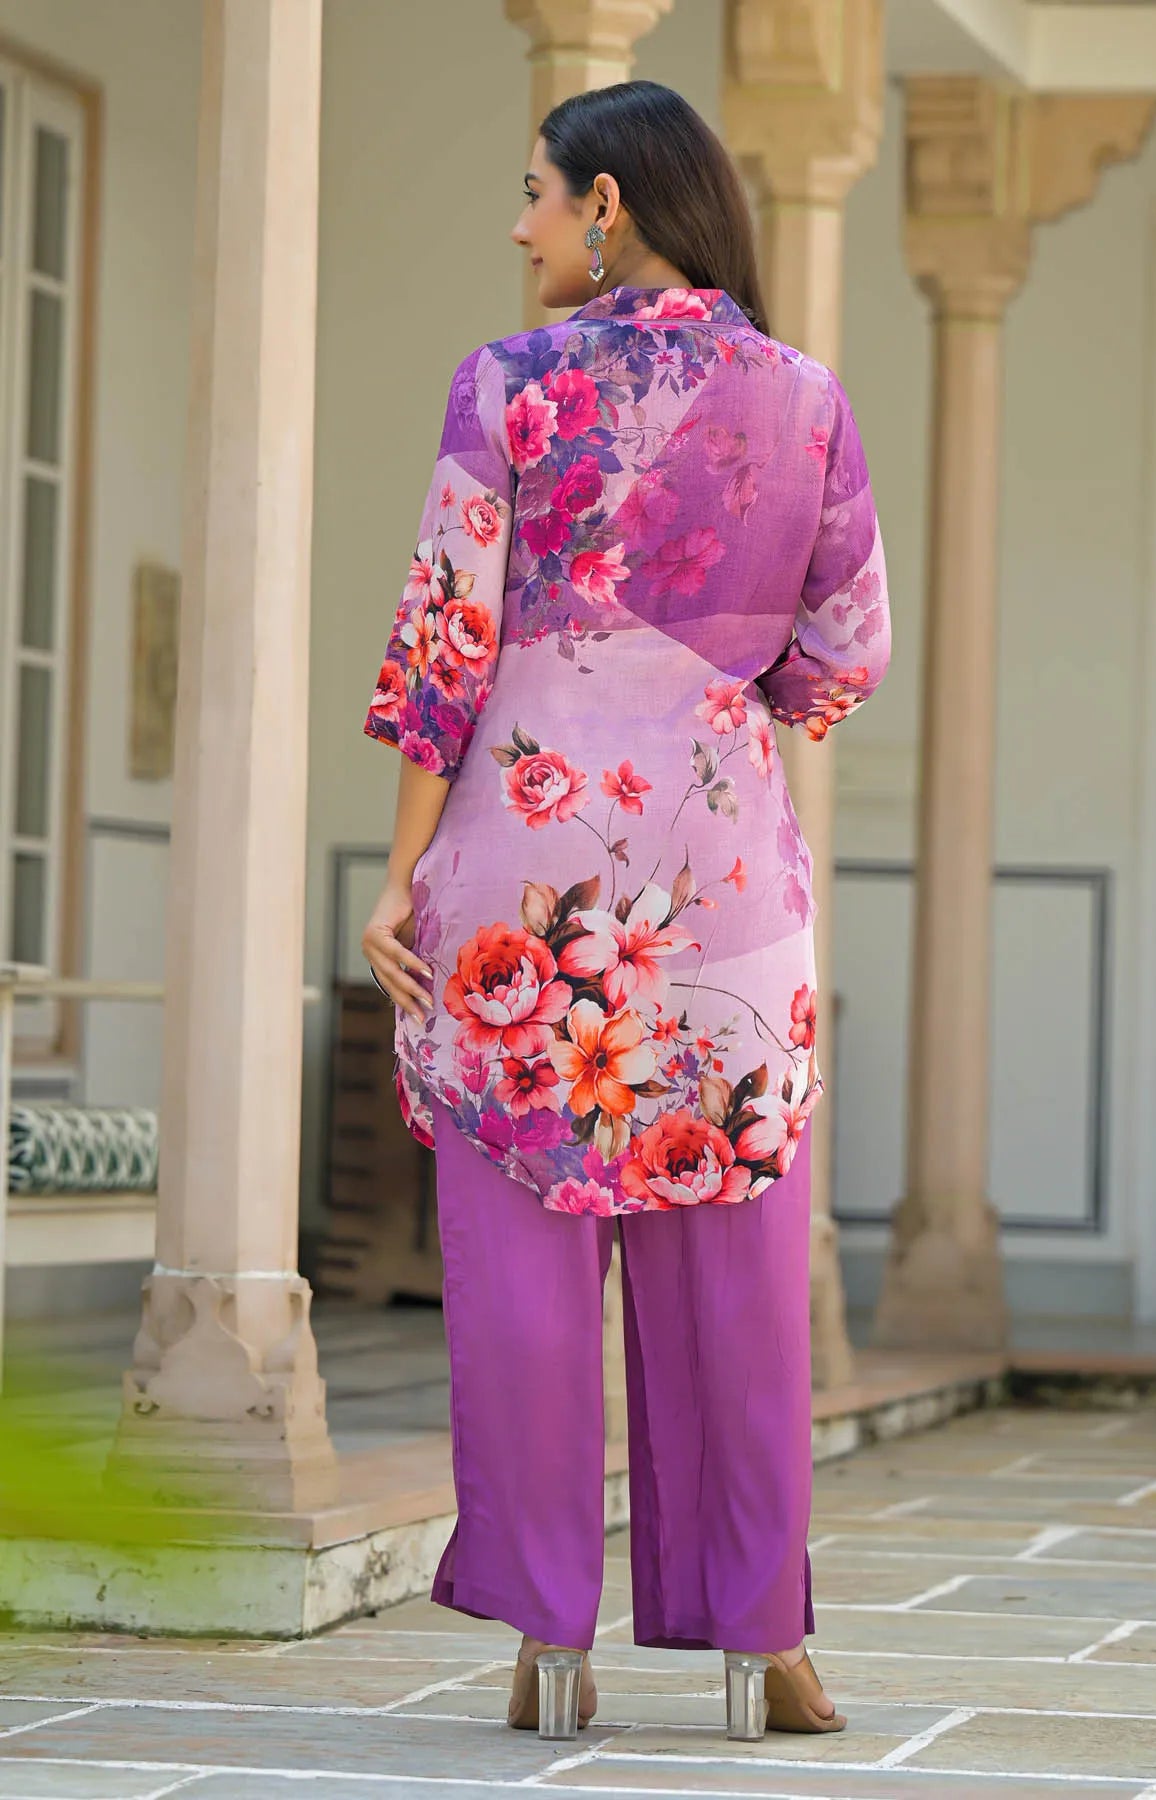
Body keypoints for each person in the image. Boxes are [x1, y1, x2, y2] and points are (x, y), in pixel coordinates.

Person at [361, 79, 890, 1742]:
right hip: (723, 886)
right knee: (735, 1258)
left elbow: (445, 646)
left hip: (523, 878)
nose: (516, 225)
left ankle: (544, 1640)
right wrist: (711, 692)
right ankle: (762, 1643)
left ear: (606, 206)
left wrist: (399, 871)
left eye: (533, 193)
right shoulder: (806, 399)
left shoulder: (504, 387)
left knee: (519, 1260)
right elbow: (843, 657)